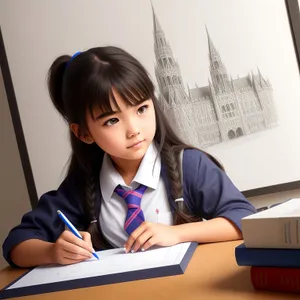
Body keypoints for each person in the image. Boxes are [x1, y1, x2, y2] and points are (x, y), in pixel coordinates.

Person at [2, 46, 256, 268]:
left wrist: (176, 234)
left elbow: (244, 218)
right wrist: (52, 252)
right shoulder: (82, 186)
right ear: (84, 133)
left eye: (142, 109)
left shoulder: (189, 166)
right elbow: (16, 244)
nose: (134, 129)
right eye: (112, 120)